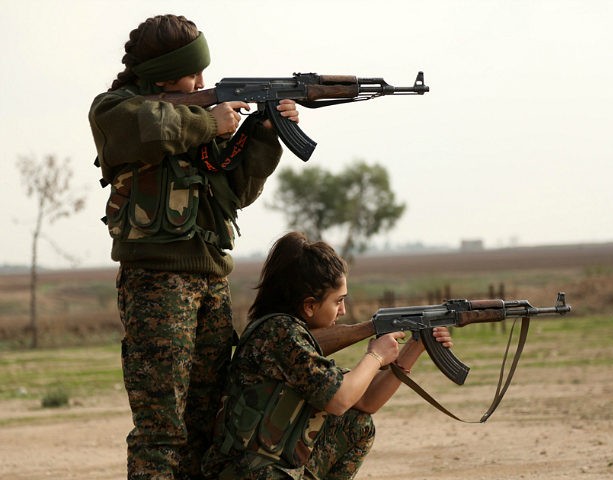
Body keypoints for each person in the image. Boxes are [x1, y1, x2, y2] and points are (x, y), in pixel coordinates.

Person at [88, 14, 299, 480]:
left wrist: (265, 133)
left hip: (211, 282)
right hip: (157, 285)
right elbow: (146, 127)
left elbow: (236, 192)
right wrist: (209, 121)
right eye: (193, 73)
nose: (202, 82)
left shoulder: (194, 120)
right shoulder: (115, 110)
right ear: (162, 73)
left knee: (207, 421)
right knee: (161, 428)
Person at [202, 232, 453, 479]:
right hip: (247, 471)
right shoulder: (280, 333)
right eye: (338, 301)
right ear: (309, 305)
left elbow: (366, 402)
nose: (343, 310)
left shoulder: (292, 335)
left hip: (270, 465)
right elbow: (340, 399)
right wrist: (375, 357)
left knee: (357, 425)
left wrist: (416, 345)